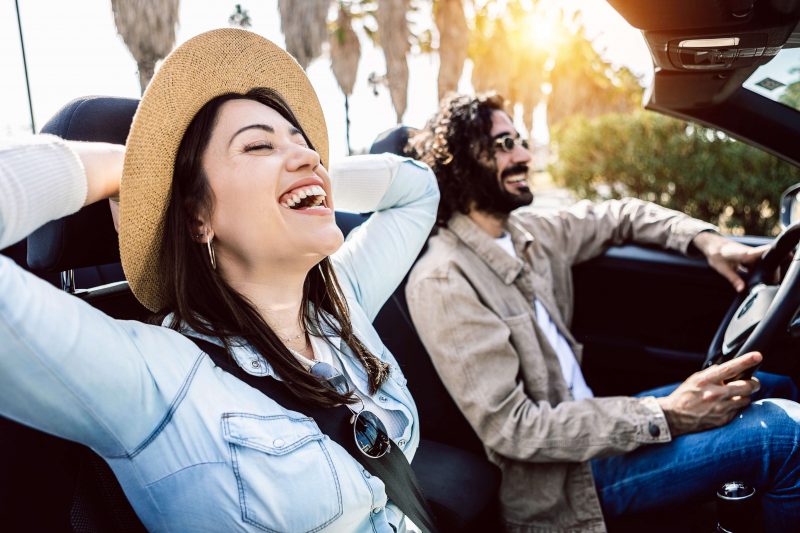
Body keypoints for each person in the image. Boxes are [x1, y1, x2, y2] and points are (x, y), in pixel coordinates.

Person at [0, 29, 440, 532]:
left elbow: (418, 190)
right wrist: (134, 170)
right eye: (257, 146)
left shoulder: (344, 302)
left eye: (304, 142)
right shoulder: (155, 379)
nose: (309, 156)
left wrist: (311, 177)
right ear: (197, 217)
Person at [404, 92, 800, 532]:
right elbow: (514, 429)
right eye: (503, 145)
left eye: (519, 139)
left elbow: (620, 216)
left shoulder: (528, 232)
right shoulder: (444, 279)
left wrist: (707, 241)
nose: (523, 154)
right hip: (564, 484)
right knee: (784, 438)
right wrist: (668, 414)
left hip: (597, 422)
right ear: (460, 161)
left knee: (771, 385)